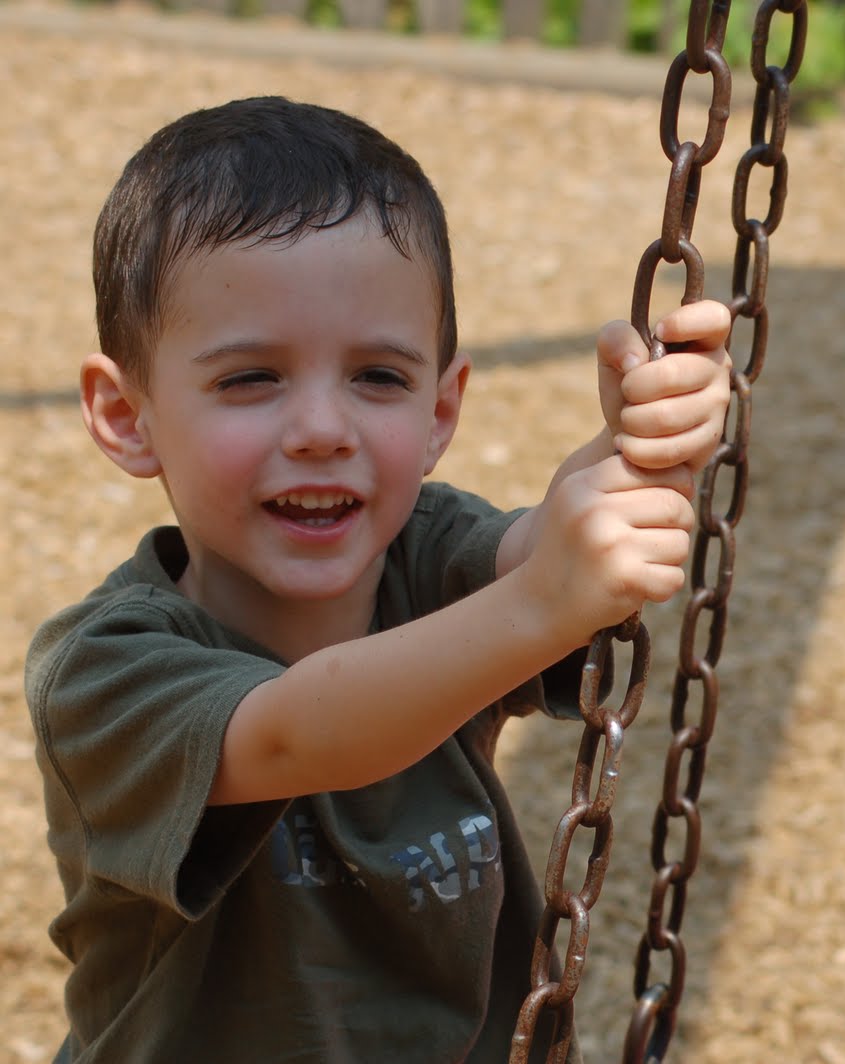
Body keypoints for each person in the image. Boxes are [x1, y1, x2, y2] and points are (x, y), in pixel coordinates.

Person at [25, 96, 733, 1062]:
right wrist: (543, 598)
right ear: (125, 415)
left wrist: (637, 445)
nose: (323, 429)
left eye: (379, 378)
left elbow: (541, 554)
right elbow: (296, 733)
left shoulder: (430, 555)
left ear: (441, 412)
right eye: (250, 378)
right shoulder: (106, 673)